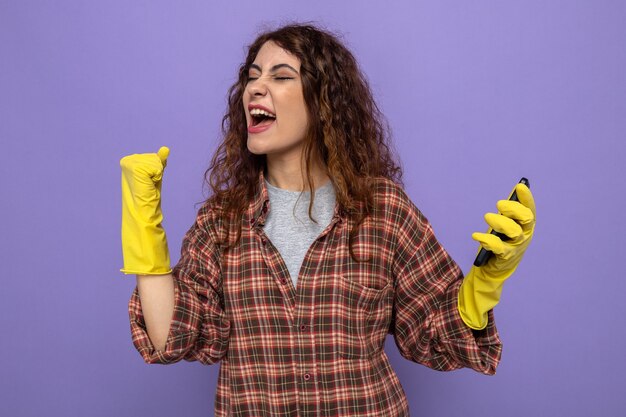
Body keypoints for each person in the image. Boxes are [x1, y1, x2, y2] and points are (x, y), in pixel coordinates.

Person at [119, 23, 535, 417]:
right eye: (252, 76)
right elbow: (171, 336)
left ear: (323, 102)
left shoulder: (382, 210)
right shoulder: (220, 222)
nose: (256, 88)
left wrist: (485, 282)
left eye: (281, 77)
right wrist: (143, 223)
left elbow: (435, 334)